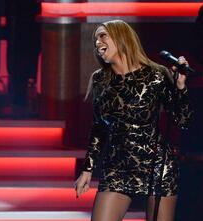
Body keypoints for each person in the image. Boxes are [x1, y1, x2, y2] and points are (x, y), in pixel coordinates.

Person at [74, 20, 193, 221]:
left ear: (122, 38)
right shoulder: (100, 79)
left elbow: (182, 120)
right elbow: (98, 129)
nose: (97, 42)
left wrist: (180, 87)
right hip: (117, 167)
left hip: (156, 165)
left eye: (103, 36)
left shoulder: (156, 75)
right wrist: (87, 169)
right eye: (95, 39)